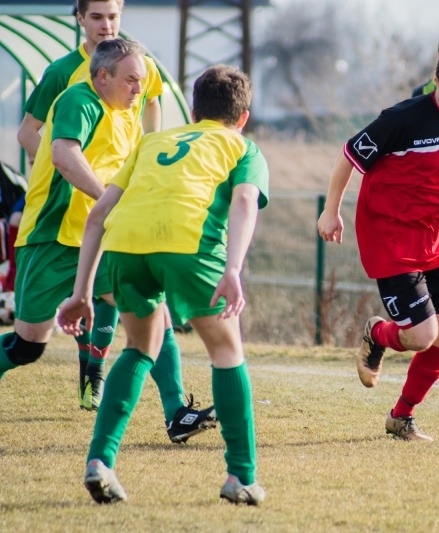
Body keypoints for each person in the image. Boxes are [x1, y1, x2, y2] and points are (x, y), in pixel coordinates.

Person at [58, 64, 269, 504]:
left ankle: (100, 461)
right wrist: (233, 268)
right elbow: (246, 200)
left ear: (192, 111)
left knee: (139, 348)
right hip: (188, 244)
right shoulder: (242, 147)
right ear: (243, 116)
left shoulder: (151, 142)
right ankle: (241, 477)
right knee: (226, 350)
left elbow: (98, 215)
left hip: (125, 245)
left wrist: (81, 292)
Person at [0, 39, 216, 444]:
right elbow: (64, 153)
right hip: (52, 238)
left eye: (143, 81)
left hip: (103, 237)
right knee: (28, 345)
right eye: (131, 80)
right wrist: (108, 201)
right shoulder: (78, 99)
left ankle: (176, 413)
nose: (139, 89)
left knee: (153, 313)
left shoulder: (127, 115)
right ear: (103, 76)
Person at [318, 47, 439, 441]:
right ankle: (379, 334)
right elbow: (349, 158)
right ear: (437, 82)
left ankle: (401, 417)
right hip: (391, 237)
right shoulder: (402, 118)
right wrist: (330, 211)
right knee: (421, 335)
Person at [15, 0, 163, 411]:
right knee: (28, 344)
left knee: (143, 304)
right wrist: (50, 164)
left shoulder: (135, 66)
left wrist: (150, 155)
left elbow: (153, 101)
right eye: (96, 16)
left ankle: (171, 407)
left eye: (113, 16)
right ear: (80, 19)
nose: (106, 25)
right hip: (57, 226)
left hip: (107, 221)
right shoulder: (65, 75)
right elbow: (31, 134)